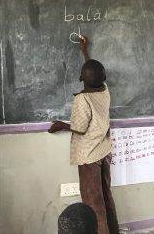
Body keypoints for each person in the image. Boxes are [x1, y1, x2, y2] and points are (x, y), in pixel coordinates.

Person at [49, 36, 120, 234]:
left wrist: (61, 125)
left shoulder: (83, 100)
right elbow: (94, 73)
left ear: (81, 78)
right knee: (106, 197)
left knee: (93, 203)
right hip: (104, 151)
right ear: (104, 78)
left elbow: (80, 128)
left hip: (89, 155)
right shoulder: (105, 91)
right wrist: (84, 51)